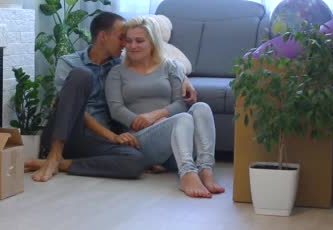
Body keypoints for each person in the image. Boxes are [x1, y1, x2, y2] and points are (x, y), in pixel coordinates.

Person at [26, 12, 198, 182]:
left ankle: (64, 164)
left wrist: (183, 78)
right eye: (122, 37)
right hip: (70, 131)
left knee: (137, 161)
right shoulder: (69, 62)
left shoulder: (119, 65)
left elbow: (158, 59)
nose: (126, 44)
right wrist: (112, 136)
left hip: (98, 140)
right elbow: (67, 106)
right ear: (103, 36)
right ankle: (54, 156)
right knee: (81, 75)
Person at [104, 16, 224, 198]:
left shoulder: (170, 67)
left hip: (179, 139)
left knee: (201, 108)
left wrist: (156, 115)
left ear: (152, 42)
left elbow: (181, 103)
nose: (132, 46)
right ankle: (187, 174)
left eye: (139, 41)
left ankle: (206, 170)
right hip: (142, 140)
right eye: (128, 41)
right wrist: (143, 121)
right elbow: (116, 109)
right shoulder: (117, 72)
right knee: (182, 119)